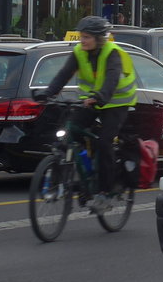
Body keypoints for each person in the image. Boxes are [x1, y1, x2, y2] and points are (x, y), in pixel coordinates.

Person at [37, 15, 137, 212]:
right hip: (90, 101)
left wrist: (100, 96)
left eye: (87, 37)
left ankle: (105, 192)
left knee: (104, 142)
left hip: (116, 103)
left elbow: (111, 80)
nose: (82, 40)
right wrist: (47, 93)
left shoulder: (113, 53)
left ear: (99, 38)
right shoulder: (79, 52)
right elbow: (64, 74)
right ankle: (69, 181)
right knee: (68, 133)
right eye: (82, 36)